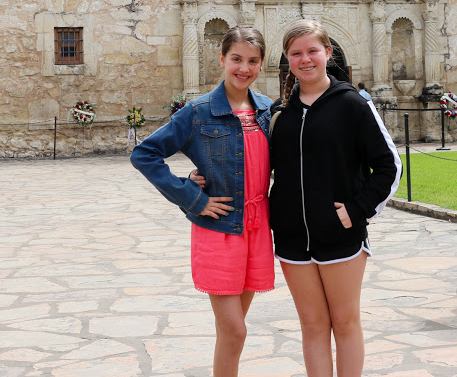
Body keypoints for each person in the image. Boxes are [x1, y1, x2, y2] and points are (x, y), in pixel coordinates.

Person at [130, 26, 274, 377]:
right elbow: (145, 154)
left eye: (252, 61)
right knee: (235, 330)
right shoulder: (198, 111)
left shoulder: (268, 110)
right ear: (222, 59)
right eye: (236, 59)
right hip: (219, 229)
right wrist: (192, 196)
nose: (244, 68)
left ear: (262, 64)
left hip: (257, 228)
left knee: (231, 332)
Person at [268, 19, 402, 377]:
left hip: (341, 236)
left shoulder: (353, 104)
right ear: (287, 58)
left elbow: (389, 166)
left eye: (312, 51)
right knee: (312, 325)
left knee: (344, 322)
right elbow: (256, 165)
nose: (305, 59)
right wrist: (203, 174)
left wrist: (356, 211)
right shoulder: (279, 113)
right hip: (292, 239)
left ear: (328, 53)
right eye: (296, 53)